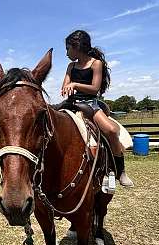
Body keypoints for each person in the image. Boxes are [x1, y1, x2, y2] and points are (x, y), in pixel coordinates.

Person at [56, 30, 134, 187]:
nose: (66, 53)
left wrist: (76, 85)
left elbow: (95, 88)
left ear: (77, 47)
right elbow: (64, 86)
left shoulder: (96, 63)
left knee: (111, 130)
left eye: (68, 48)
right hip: (72, 104)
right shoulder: (71, 66)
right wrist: (67, 87)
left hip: (90, 105)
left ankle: (121, 171)